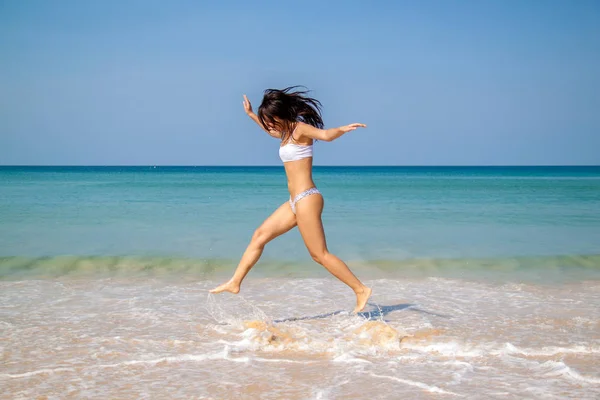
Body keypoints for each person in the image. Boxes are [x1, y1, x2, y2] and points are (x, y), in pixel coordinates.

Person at [210, 86, 371, 313]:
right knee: (259, 236)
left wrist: (342, 129)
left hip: (307, 198)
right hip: (294, 201)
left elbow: (325, 135)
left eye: (270, 120)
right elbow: (269, 133)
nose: (269, 125)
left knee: (319, 254)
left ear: (281, 115)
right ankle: (235, 282)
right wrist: (251, 116)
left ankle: (360, 289)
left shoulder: (300, 129)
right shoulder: (284, 134)